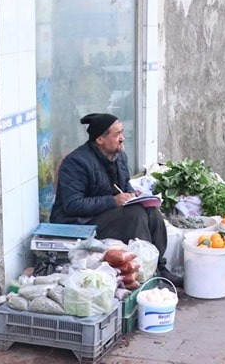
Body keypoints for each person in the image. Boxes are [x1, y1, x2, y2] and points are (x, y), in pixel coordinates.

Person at [50, 113, 180, 284]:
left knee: (151, 212)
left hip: (104, 215)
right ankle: (143, 273)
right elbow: (73, 205)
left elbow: (124, 185)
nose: (122, 138)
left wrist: (134, 195)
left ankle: (157, 266)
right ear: (100, 140)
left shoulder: (119, 157)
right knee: (135, 215)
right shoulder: (76, 163)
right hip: (80, 223)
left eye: (122, 133)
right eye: (117, 134)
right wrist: (113, 201)